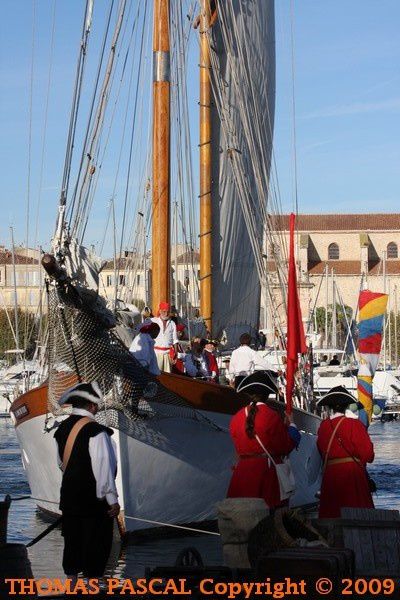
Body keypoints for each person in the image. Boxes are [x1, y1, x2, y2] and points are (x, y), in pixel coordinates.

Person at [54, 382, 119, 582]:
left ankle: (71, 588)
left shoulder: (61, 429)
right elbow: (103, 469)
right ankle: (91, 588)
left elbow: (60, 463)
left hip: (70, 500)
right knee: (95, 553)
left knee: (72, 549)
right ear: (92, 406)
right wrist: (112, 500)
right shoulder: (96, 431)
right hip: (94, 505)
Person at [227, 375, 301, 508]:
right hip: (265, 471)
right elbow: (285, 445)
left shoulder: (236, 417)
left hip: (242, 472)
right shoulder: (271, 415)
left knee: (241, 516)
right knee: (268, 516)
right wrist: (292, 426)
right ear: (267, 395)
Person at [317, 385, 375, 518]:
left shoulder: (323, 427)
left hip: (331, 475)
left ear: (329, 407)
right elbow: (368, 454)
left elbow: (320, 450)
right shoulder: (354, 424)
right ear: (347, 406)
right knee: (358, 516)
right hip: (352, 475)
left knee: (332, 514)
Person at [151, 301, 179, 373]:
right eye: (164, 311)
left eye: (168, 312)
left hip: (168, 355)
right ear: (160, 311)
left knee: (168, 376)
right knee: (155, 375)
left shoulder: (172, 323)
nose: (166, 314)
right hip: (156, 354)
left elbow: (175, 340)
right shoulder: (153, 321)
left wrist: (175, 354)